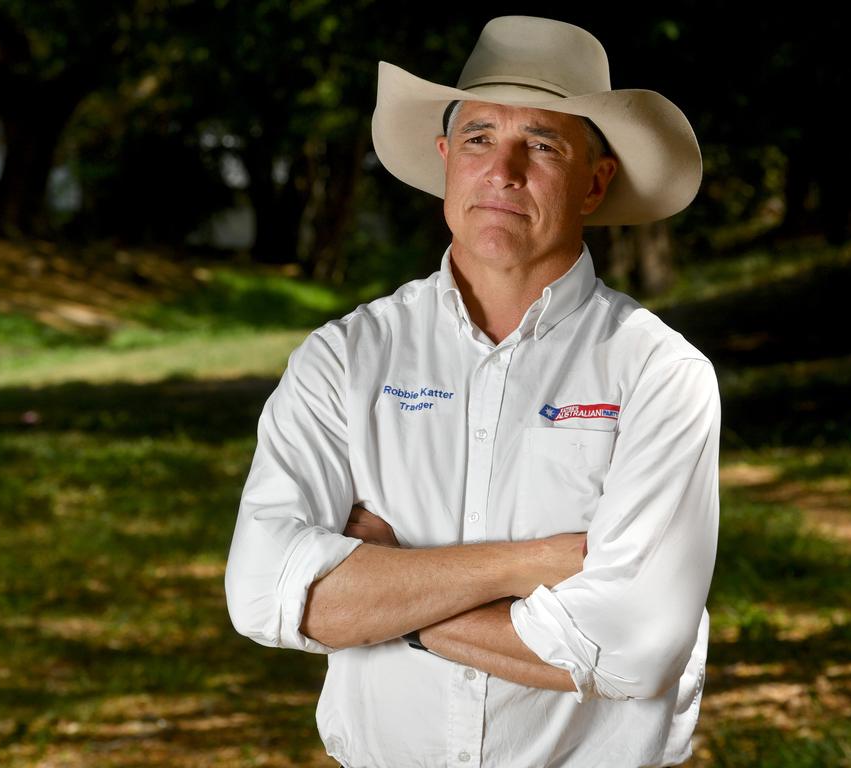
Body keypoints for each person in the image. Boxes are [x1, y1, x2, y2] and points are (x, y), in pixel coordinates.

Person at [225, 15, 719, 768]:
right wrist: (521, 565)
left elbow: (630, 647)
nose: (505, 169)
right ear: (446, 157)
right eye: (481, 137)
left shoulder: (659, 375)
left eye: (543, 144)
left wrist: (390, 599)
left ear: (595, 182)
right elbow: (264, 592)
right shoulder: (345, 359)